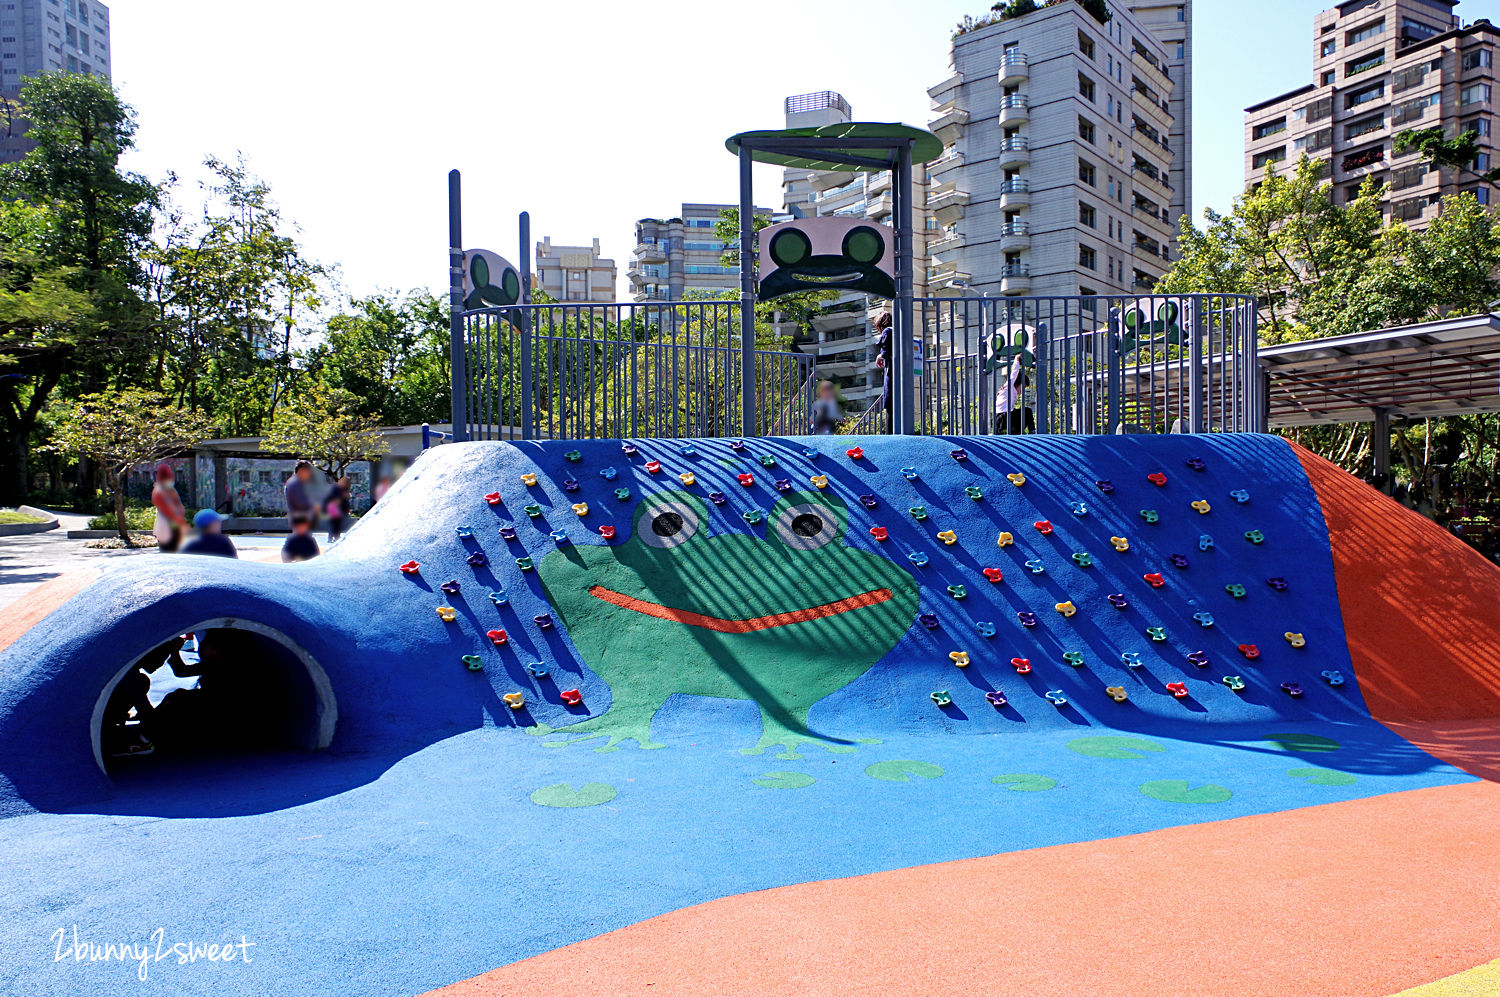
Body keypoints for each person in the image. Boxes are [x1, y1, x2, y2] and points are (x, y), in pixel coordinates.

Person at [150, 463, 189, 553]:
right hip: (166, 528)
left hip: (174, 528)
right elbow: (167, 509)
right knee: (168, 553)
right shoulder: (159, 491)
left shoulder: (171, 490)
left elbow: (179, 506)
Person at [871, 311, 893, 424]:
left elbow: (885, 348)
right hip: (901, 377)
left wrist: (881, 355)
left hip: (892, 374)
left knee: (890, 405)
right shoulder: (898, 331)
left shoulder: (887, 331)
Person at [284, 460, 317, 529]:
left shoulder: (299, 482)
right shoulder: (295, 483)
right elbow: (299, 501)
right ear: (301, 470)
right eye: (308, 471)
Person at [323, 474, 352, 542]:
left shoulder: (343, 489)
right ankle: (334, 537)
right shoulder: (337, 488)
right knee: (335, 524)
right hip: (334, 509)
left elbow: (345, 501)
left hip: (337, 509)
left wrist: (347, 508)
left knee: (336, 524)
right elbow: (333, 498)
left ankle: (333, 537)